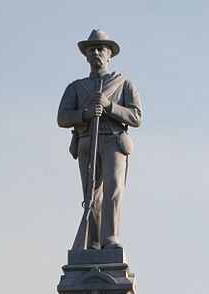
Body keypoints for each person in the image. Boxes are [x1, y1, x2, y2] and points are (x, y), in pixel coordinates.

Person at [58, 29, 142, 250]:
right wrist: (85, 114)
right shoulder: (76, 87)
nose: (96, 52)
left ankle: (110, 239)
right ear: (86, 56)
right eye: (91, 49)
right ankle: (93, 242)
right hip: (87, 140)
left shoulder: (123, 84)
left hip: (113, 140)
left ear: (109, 54)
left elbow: (136, 116)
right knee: (91, 194)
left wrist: (110, 106)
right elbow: (63, 117)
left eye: (100, 49)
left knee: (113, 189)